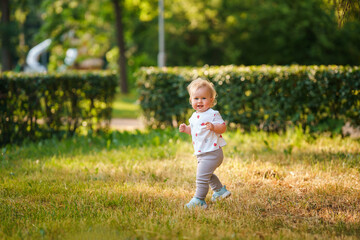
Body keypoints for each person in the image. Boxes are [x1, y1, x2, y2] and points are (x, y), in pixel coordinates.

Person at [179, 78, 231, 209]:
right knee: (206, 174)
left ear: (211, 100)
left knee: (201, 177)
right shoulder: (194, 117)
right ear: (191, 100)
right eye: (196, 98)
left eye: (203, 98)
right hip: (202, 153)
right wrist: (186, 129)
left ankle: (199, 200)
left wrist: (214, 127)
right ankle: (220, 191)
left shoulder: (213, 114)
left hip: (212, 152)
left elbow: (223, 127)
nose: (199, 101)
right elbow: (196, 131)